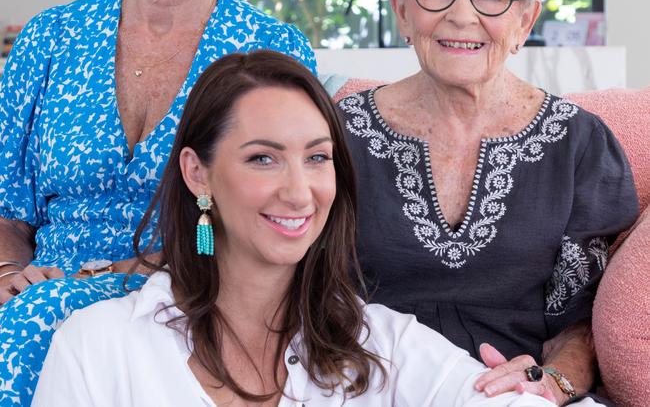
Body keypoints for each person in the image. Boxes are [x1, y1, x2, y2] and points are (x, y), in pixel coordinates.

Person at [0, 0, 315, 404]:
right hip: (37, 304)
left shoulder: (272, 54)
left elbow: (287, 212)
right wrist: (9, 274)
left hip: (194, 304)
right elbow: (8, 207)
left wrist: (153, 274)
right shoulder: (47, 38)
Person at [32, 50, 584, 406]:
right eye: (263, 159)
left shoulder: (381, 343)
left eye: (317, 158)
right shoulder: (98, 348)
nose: (300, 192)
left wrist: (536, 388)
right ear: (197, 174)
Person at [336, 0, 638, 405]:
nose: (461, 14)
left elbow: (586, 323)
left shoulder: (578, 144)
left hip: (513, 394)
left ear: (525, 18)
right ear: (402, 10)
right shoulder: (336, 135)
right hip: (364, 386)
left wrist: (551, 383)